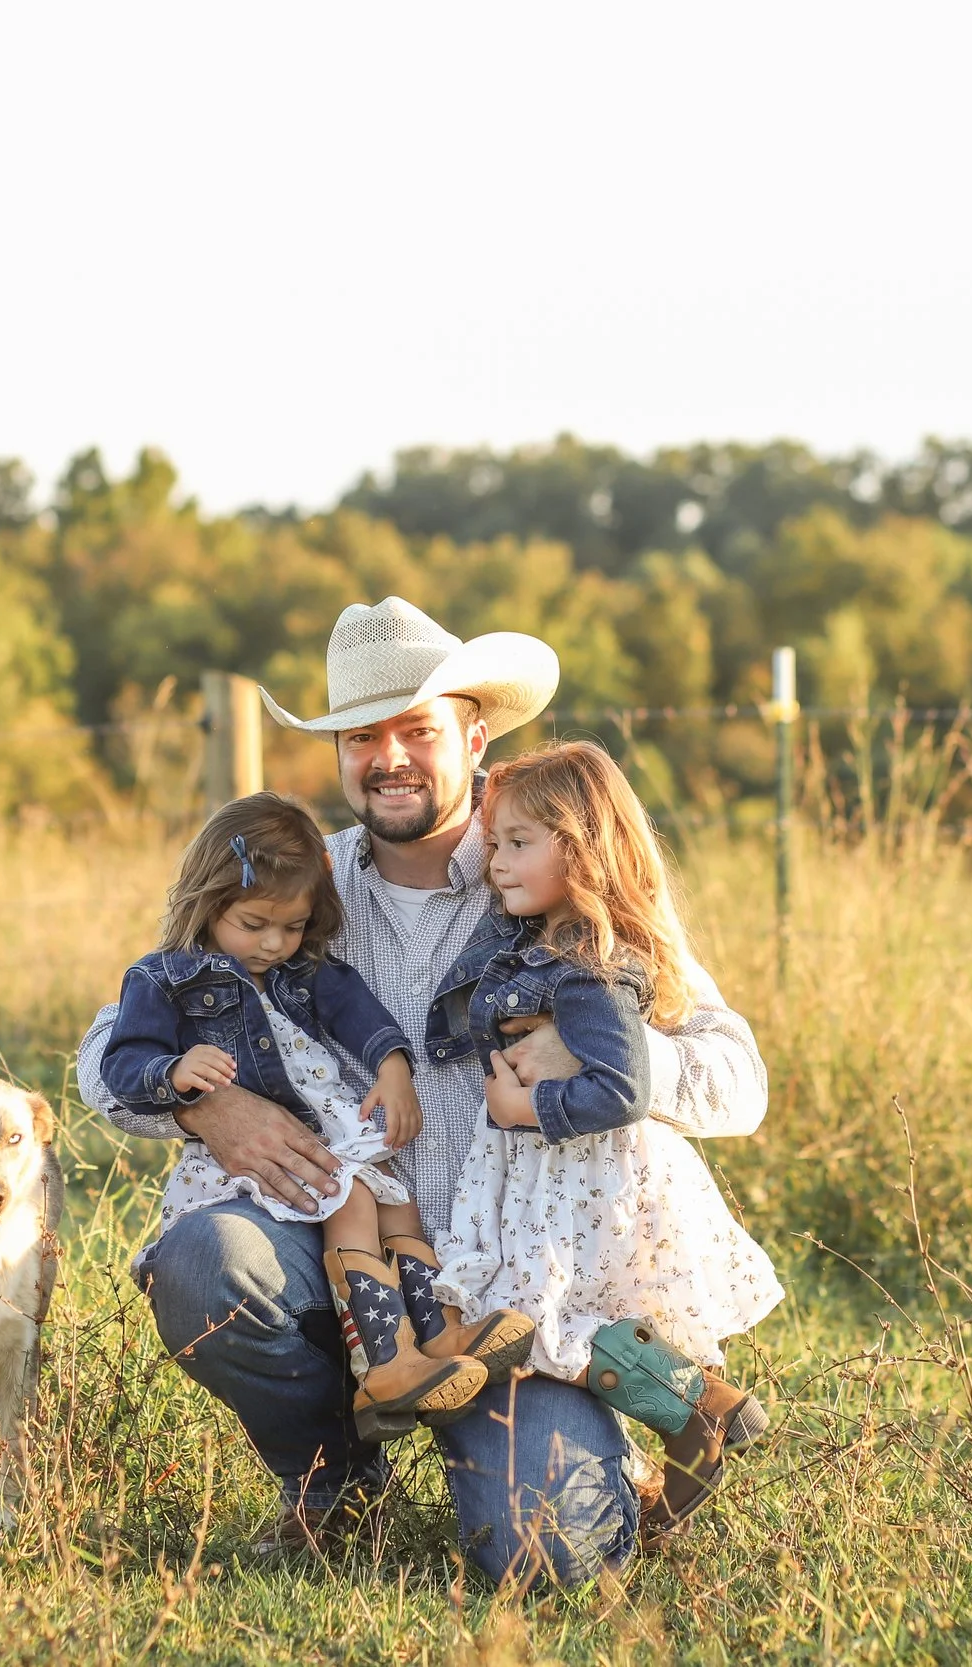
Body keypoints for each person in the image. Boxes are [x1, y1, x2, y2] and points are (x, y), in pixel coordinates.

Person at [75, 596, 771, 1585]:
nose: (389, 756)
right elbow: (110, 1040)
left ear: (475, 735)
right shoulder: (294, 886)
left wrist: (610, 1058)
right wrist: (202, 1104)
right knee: (206, 1261)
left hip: (515, 1288)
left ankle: (590, 1454)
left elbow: (737, 1079)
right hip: (349, 1252)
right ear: (341, 752)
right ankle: (334, 1483)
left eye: (418, 730)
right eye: (364, 735)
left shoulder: (553, 870)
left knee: (550, 1556)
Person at [428, 740, 783, 1541]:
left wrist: (529, 1107)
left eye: (519, 845)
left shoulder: (586, 963)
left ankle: (696, 1406)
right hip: (557, 1169)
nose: (498, 865)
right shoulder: (548, 939)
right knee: (555, 1317)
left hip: (576, 1170)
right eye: (497, 845)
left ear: (580, 851)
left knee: (545, 1318)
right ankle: (699, 1407)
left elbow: (621, 1089)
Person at [102, 792, 532, 1436]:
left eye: (294, 926)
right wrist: (174, 1076)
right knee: (355, 1199)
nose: (275, 943)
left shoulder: (299, 969)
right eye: (255, 924)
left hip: (326, 1130)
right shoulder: (165, 980)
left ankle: (437, 1333)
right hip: (270, 1160)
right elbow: (121, 1059)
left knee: (398, 1204)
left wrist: (392, 1067)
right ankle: (384, 1362)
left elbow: (355, 1009)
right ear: (206, 903)